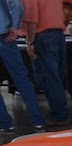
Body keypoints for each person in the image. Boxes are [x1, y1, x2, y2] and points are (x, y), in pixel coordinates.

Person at [0, 0, 49, 133]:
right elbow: (17, 6)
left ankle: (5, 124)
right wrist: (14, 27)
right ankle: (38, 122)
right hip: (5, 36)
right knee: (22, 80)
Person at [23, 0, 70, 126]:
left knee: (49, 79)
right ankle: (60, 111)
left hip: (42, 37)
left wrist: (29, 42)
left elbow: (31, 20)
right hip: (59, 35)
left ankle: (59, 115)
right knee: (58, 77)